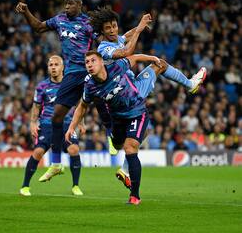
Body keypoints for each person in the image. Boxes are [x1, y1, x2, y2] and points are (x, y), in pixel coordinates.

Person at [66, 50, 207, 205]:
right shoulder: (90, 85)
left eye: (93, 61)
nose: (90, 65)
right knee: (119, 144)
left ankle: (135, 196)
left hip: (136, 112)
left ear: (101, 62)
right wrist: (71, 127)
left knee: (130, 147)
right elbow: (82, 106)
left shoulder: (116, 67)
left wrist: (152, 57)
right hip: (118, 119)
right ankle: (135, 138)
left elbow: (134, 57)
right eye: (87, 62)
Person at [88, 7, 207, 189]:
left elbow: (126, 36)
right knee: (158, 64)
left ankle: (124, 167)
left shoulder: (116, 38)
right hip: (125, 93)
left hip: (129, 87)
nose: (113, 30)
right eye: (108, 28)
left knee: (142, 133)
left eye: (114, 26)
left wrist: (140, 26)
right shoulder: (104, 48)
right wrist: (141, 30)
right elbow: (127, 52)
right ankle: (190, 85)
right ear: (101, 31)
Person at [15, 0, 110, 181]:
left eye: (71, 4)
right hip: (71, 74)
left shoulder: (89, 23)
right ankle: (56, 164)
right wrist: (26, 12)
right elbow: (38, 27)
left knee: (100, 98)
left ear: (80, 5)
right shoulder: (59, 19)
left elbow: (103, 43)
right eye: (65, 3)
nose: (66, 7)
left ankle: (112, 133)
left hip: (87, 69)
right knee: (56, 116)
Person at [20, 55, 84, 196]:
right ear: (48, 68)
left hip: (67, 124)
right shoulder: (42, 86)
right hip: (47, 124)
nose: (53, 67)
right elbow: (36, 107)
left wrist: (80, 122)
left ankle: (75, 186)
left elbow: (80, 103)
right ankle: (25, 186)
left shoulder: (70, 84)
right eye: (51, 65)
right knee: (38, 152)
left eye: (56, 64)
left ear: (62, 67)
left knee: (74, 149)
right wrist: (32, 123)